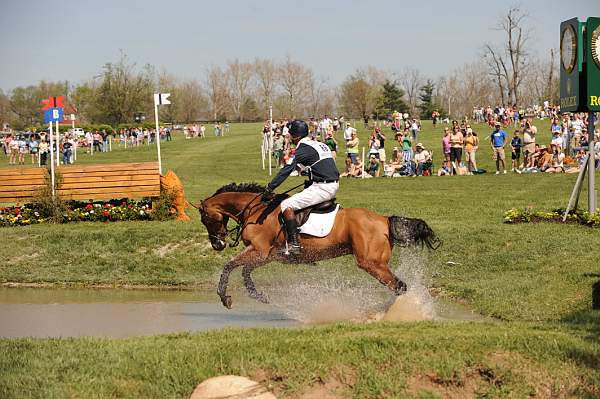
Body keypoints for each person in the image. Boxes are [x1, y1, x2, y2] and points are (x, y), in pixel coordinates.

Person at [263, 120, 339, 256]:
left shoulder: (302, 149)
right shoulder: (318, 144)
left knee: (286, 204)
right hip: (330, 183)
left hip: (323, 187)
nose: (289, 137)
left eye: (290, 134)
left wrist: (270, 188)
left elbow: (286, 170)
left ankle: (294, 244)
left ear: (295, 136)